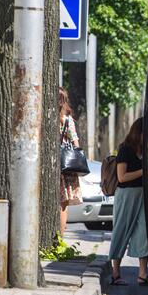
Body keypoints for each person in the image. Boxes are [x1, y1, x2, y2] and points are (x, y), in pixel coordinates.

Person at [109, 118, 148, 286]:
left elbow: (143, 170)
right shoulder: (125, 149)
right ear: (138, 132)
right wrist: (144, 171)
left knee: (145, 232)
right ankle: (116, 273)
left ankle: (143, 274)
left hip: (144, 193)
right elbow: (122, 177)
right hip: (127, 195)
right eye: (147, 133)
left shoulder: (144, 149)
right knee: (122, 230)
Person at [59, 87, 82, 236]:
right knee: (63, 204)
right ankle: (60, 238)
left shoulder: (43, 117)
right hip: (65, 167)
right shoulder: (67, 121)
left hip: (50, 166)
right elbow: (76, 144)